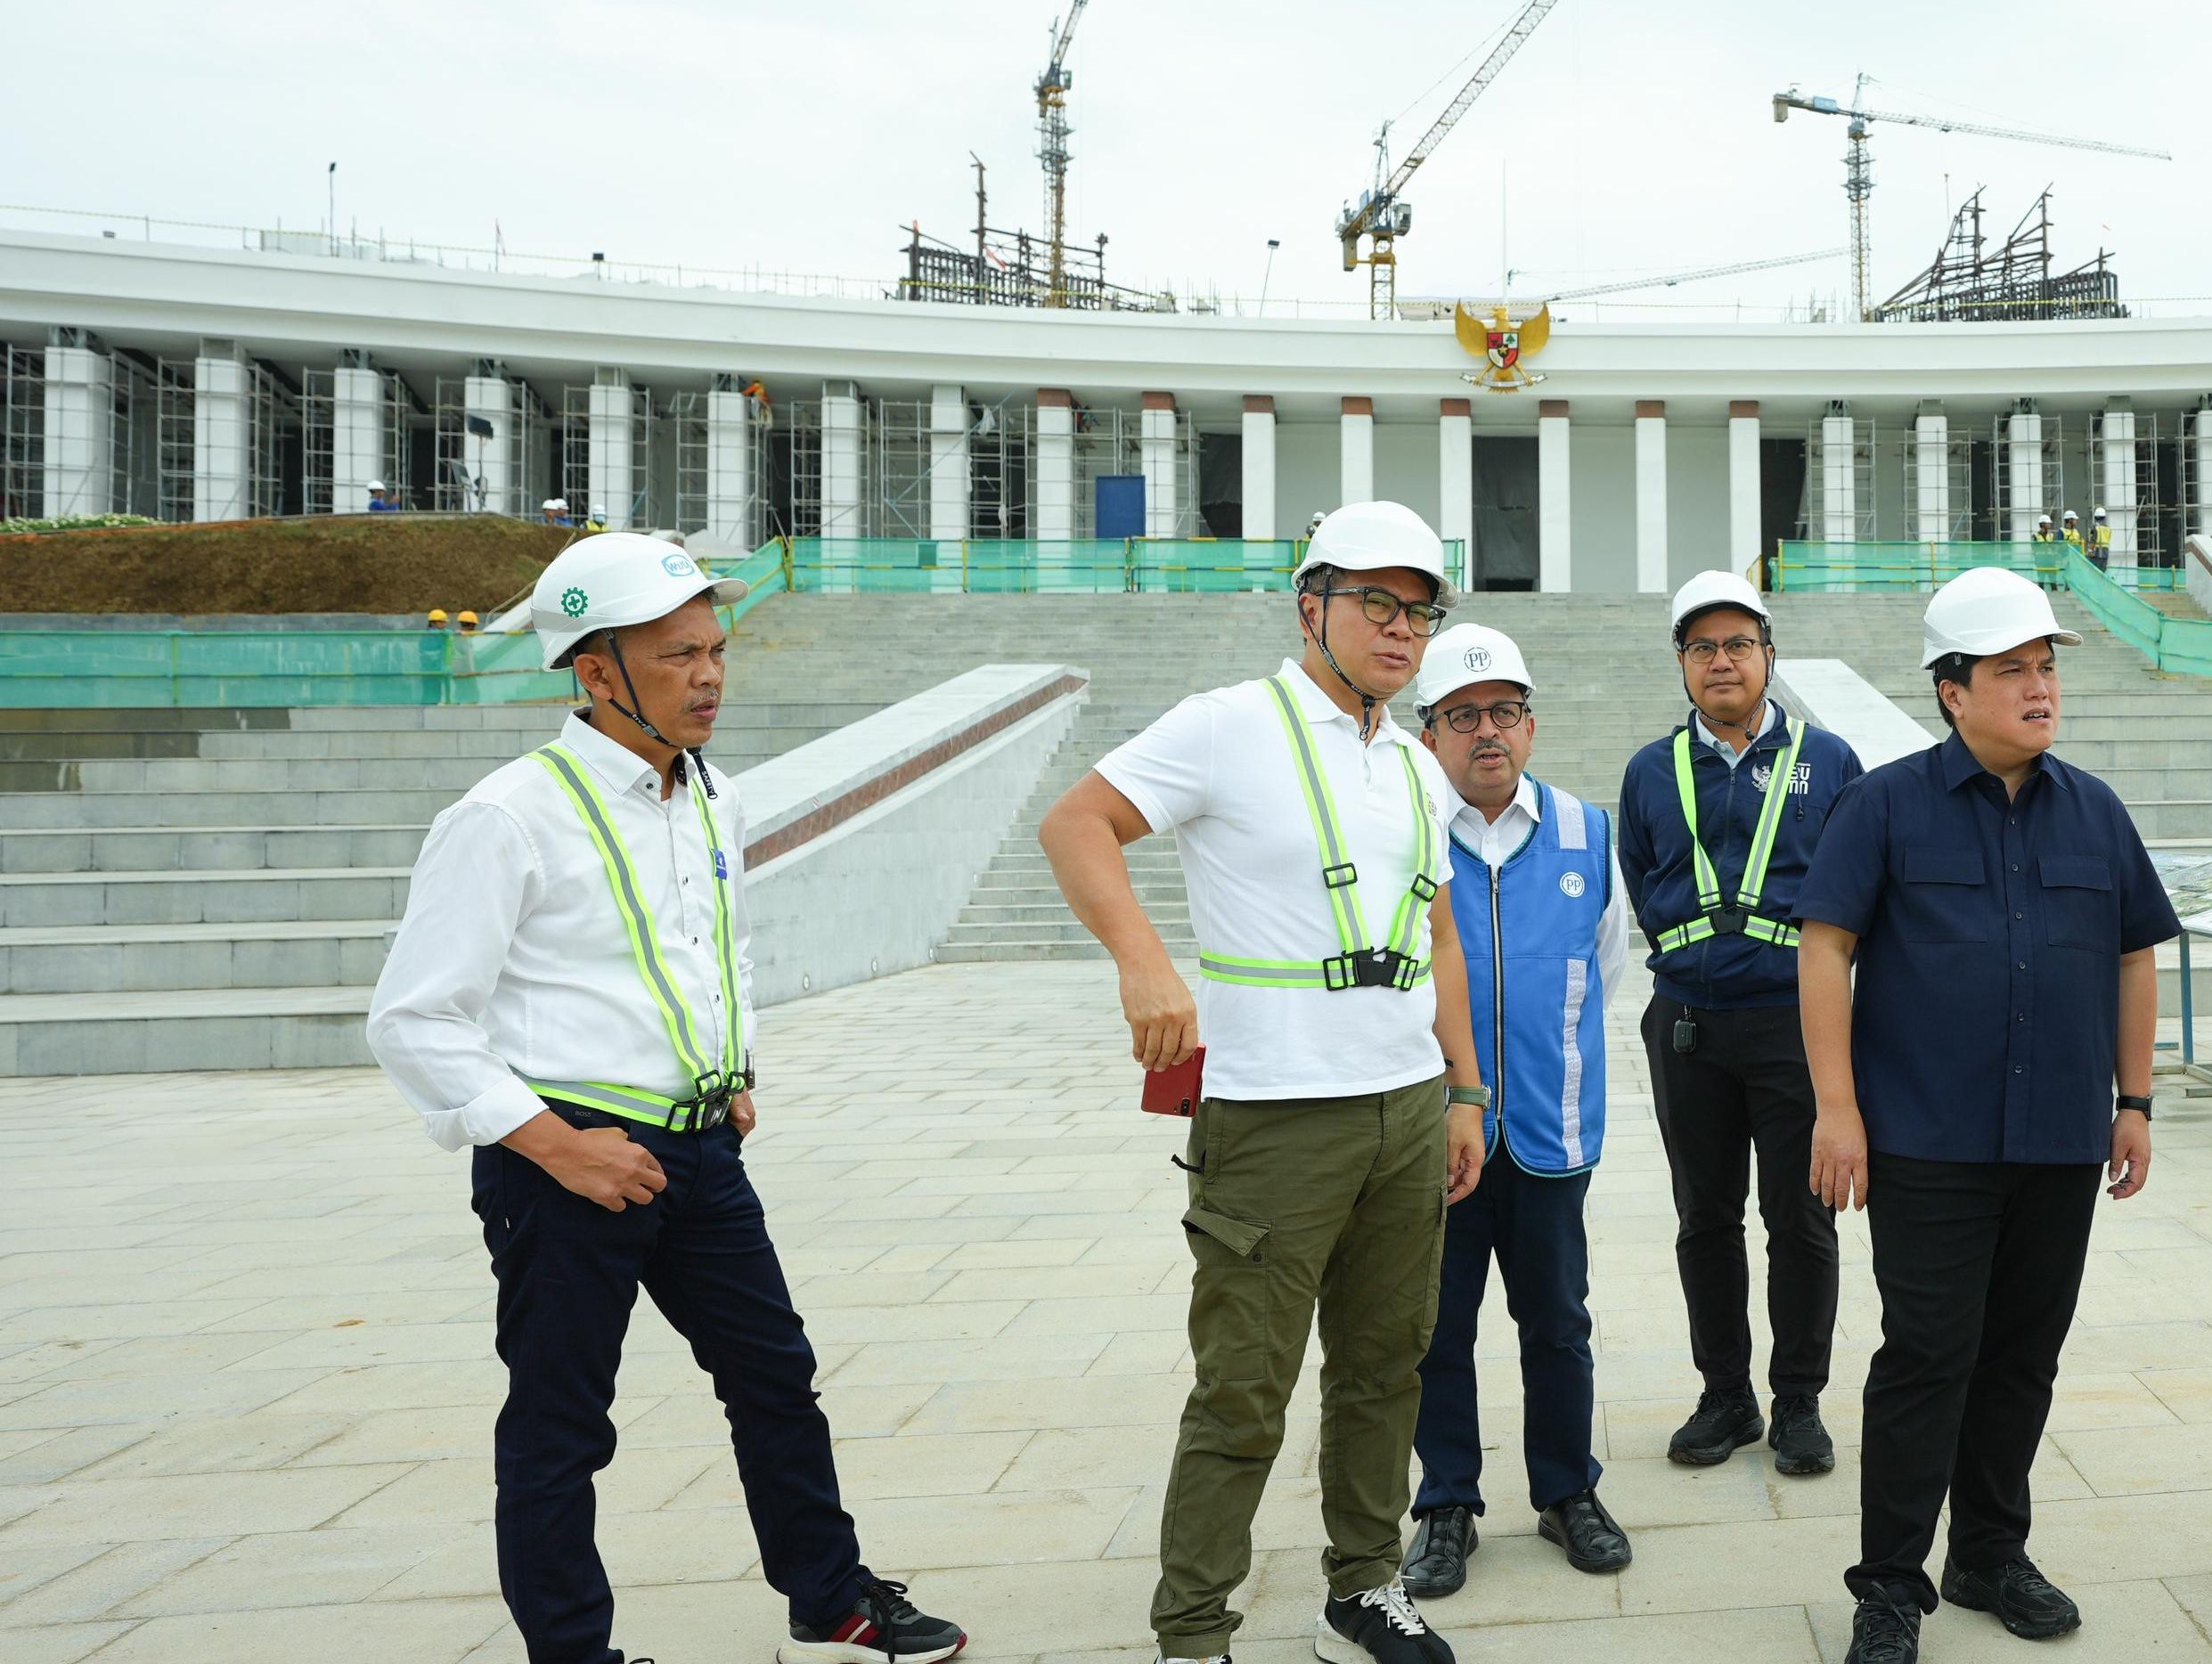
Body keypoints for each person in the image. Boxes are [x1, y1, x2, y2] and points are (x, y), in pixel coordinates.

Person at [364, 534, 965, 1664]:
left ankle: (826, 1593)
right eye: (678, 653)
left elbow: (704, 947)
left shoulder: (710, 793)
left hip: (697, 1151)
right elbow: (413, 1018)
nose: (709, 676)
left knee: (775, 1377)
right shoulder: (507, 816)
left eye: (716, 649)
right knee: (560, 1426)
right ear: (595, 671)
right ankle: (573, 1653)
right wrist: (556, 1145)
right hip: (568, 1160)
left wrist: (731, 1067)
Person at [1040, 499, 1492, 1664]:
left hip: (1403, 1113)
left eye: (1419, 608)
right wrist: (1144, 965)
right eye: (1374, 603)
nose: (1400, 628)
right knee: (1244, 1389)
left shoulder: (1413, 763)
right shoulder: (1226, 726)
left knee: (1387, 1366)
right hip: (1274, 1119)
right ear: (1312, 606)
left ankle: (1365, 1581)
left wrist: (1464, 1090)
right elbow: (1077, 824)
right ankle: (1194, 1630)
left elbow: (1437, 937)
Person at [1800, 567, 2182, 1664]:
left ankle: (1987, 1552)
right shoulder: (1884, 804)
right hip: (1925, 1139)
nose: (2038, 685)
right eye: (2011, 668)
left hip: (2059, 1139)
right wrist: (1837, 1111)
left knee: (2022, 1355)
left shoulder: (2093, 810)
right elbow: (1824, 947)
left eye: (2046, 665)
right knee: (1926, 1354)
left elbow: (2130, 956)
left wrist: (2135, 1101)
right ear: (1950, 690)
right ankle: (1887, 1584)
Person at [1397, 624, 1637, 1599]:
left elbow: (1607, 967)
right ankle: (1446, 1502)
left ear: (1530, 727)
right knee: (1435, 1328)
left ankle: (1566, 1488)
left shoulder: (1586, 831)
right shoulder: (1404, 832)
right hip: (1430, 1139)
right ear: (1428, 737)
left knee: (1557, 1322)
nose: (1484, 732)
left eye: (1502, 712)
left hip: (1547, 1131)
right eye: (1461, 716)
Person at [1617, 570, 1871, 1475]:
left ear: (1768, 654)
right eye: (1700, 648)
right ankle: (1724, 1395)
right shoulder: (1650, 769)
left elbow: (1858, 892)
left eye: (1736, 645)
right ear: (1682, 664)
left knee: (1802, 1217)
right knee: (1704, 1216)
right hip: (1687, 1022)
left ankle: (1797, 1399)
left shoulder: (1827, 759)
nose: (1719, 662)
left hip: (1794, 1023)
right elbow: (1645, 880)